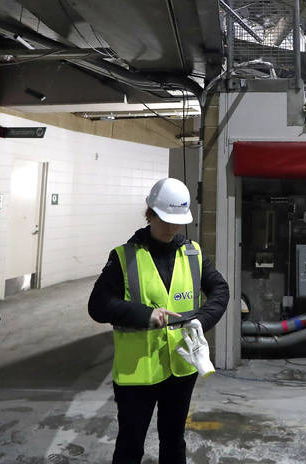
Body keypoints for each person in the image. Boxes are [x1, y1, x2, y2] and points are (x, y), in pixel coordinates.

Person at [89, 177, 229, 464]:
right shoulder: (124, 258)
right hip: (137, 373)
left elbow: (220, 290)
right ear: (149, 212)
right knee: (130, 447)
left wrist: (202, 320)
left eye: (177, 221)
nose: (172, 228)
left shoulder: (193, 253)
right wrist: (144, 315)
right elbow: (98, 306)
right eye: (165, 220)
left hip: (181, 369)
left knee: (174, 443)